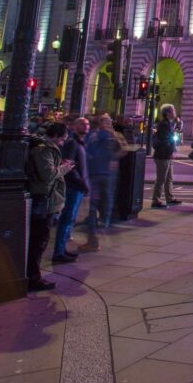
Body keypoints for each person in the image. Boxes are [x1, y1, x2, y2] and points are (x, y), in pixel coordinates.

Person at [27, 122, 72, 291]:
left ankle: (32, 274)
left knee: (39, 238)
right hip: (44, 197)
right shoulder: (44, 149)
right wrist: (64, 168)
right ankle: (33, 277)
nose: (62, 142)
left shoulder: (44, 148)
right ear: (55, 135)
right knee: (39, 239)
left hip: (45, 197)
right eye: (62, 139)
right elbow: (48, 174)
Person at [81, 114, 122, 252]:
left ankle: (100, 226)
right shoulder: (100, 135)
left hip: (103, 174)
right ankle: (96, 229)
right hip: (98, 173)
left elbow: (123, 149)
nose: (107, 123)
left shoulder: (112, 136)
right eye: (105, 121)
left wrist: (114, 159)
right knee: (96, 203)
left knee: (101, 201)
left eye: (108, 121)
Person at [52, 117, 89, 263]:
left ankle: (62, 249)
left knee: (71, 218)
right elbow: (68, 165)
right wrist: (80, 182)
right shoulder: (72, 143)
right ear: (74, 126)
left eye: (87, 124)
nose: (86, 126)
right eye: (82, 124)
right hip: (73, 186)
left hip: (78, 186)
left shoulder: (80, 143)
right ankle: (59, 252)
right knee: (67, 218)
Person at [152, 105, 183, 207]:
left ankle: (170, 198)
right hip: (162, 156)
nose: (175, 111)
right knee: (161, 179)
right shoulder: (164, 124)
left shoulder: (169, 123)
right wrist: (170, 152)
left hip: (166, 155)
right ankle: (156, 201)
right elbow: (165, 140)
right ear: (168, 113)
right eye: (173, 110)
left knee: (169, 178)